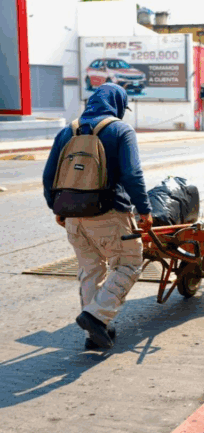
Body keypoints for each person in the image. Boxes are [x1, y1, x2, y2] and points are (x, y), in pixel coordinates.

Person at [42, 83, 153, 350]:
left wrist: (57, 209)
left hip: (72, 215)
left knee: (90, 268)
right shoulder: (120, 130)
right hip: (110, 212)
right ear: (117, 105)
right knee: (129, 263)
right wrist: (145, 210)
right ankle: (95, 317)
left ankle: (95, 334)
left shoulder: (67, 131)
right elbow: (132, 175)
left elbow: (48, 176)